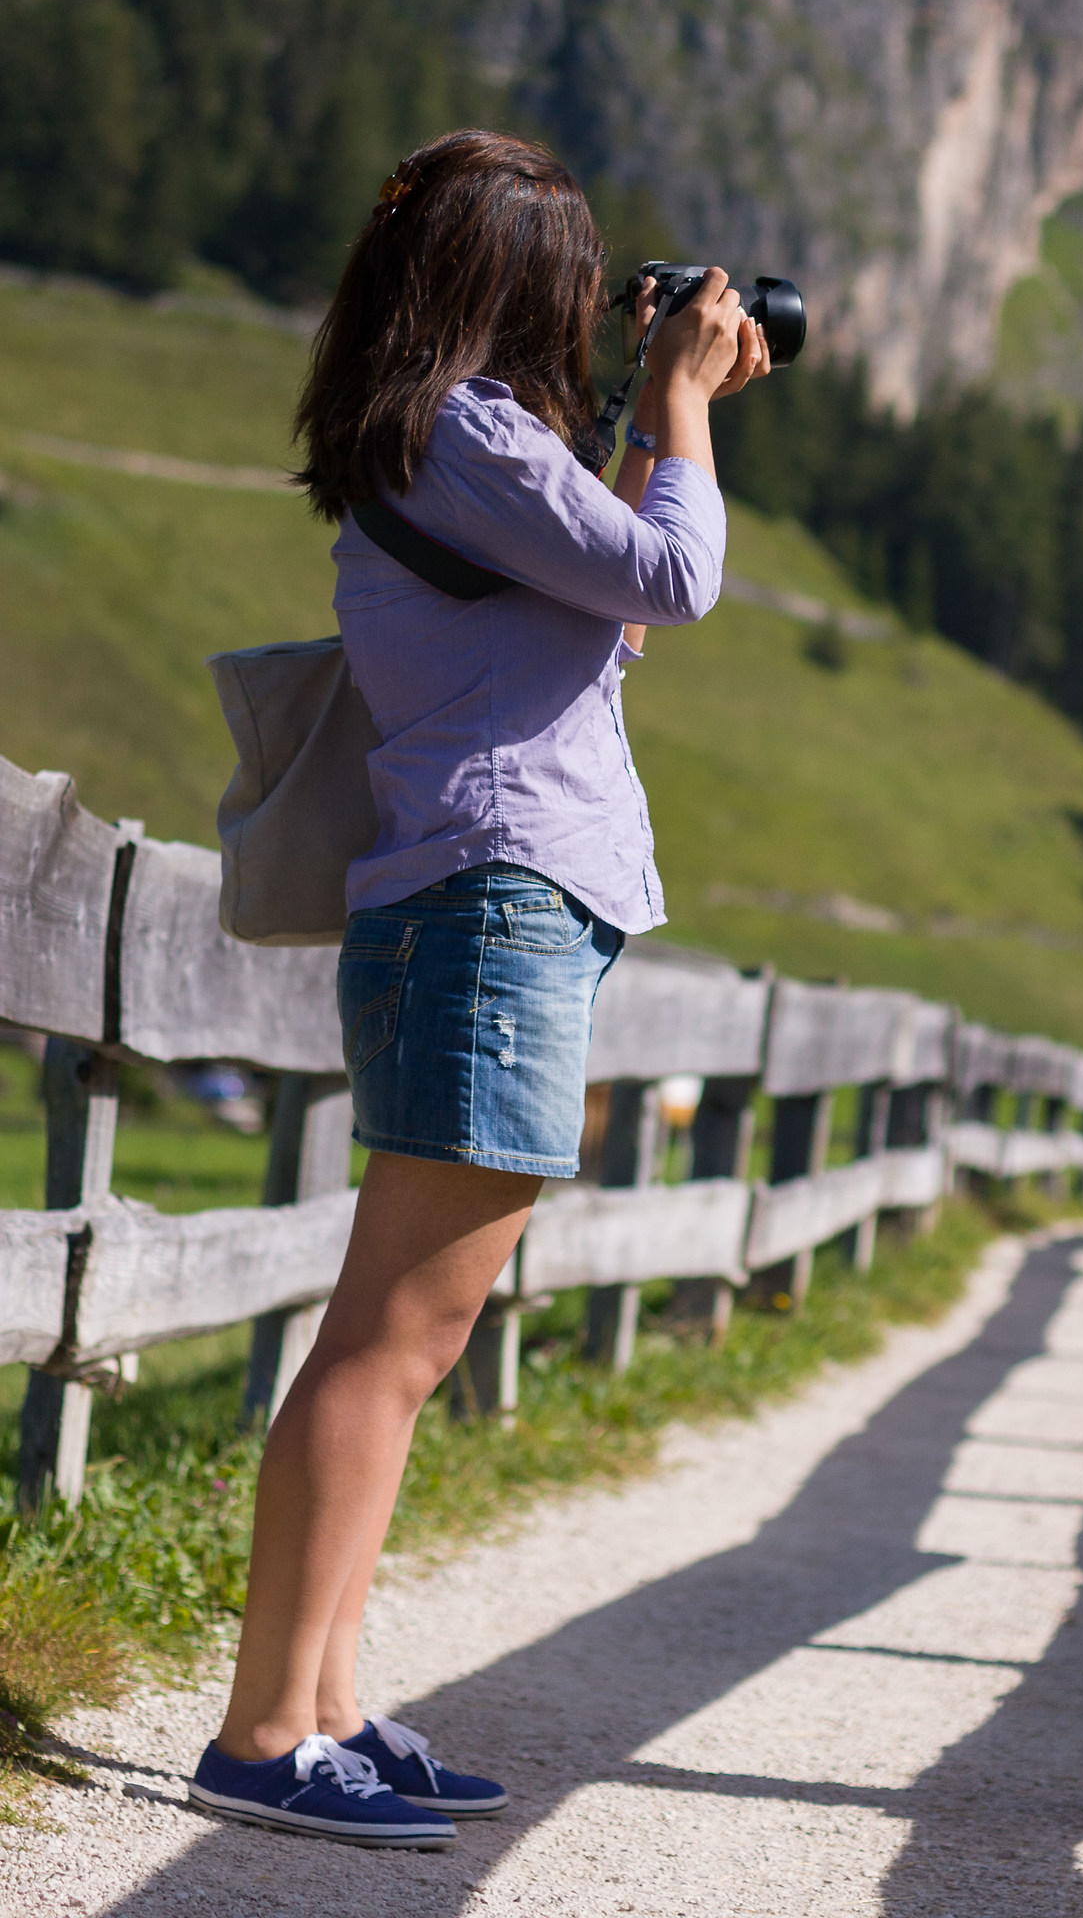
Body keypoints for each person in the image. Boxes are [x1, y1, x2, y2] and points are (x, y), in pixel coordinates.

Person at [189, 130, 770, 1849]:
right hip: (490, 905)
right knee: (393, 1337)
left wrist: (641, 421)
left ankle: (330, 1705)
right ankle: (261, 1733)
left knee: (407, 1339)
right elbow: (677, 575)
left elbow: (610, 595)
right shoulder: (464, 433)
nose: (597, 311)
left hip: (496, 906)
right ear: (514, 289)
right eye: (577, 287)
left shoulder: (452, 441)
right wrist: (683, 403)